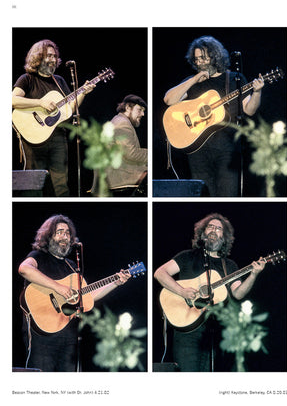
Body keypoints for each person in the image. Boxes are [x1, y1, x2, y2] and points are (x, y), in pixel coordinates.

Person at [154, 213, 266, 371]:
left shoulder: (229, 265)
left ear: (224, 237)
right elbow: (160, 273)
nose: (214, 230)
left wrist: (254, 274)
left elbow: (238, 293)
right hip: (187, 333)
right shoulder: (187, 256)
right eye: (210, 226)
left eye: (219, 228)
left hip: (214, 333)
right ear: (202, 232)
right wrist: (182, 291)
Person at [17, 214, 131, 372]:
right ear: (48, 235)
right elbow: (24, 269)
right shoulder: (38, 257)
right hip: (42, 337)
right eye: (59, 232)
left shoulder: (72, 267)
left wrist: (116, 282)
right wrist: (58, 287)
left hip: (69, 337)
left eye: (67, 233)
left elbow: (87, 297)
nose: (64, 236)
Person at [163, 36, 264, 196]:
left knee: (228, 196)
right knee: (202, 197)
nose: (199, 63)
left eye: (203, 58)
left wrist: (257, 92)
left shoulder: (235, 79)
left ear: (215, 56)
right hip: (197, 152)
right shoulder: (193, 81)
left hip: (227, 150)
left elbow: (249, 110)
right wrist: (194, 79)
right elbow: (169, 99)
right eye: (196, 59)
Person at [12, 40, 95, 196]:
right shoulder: (27, 79)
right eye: (48, 55)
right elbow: (13, 100)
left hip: (58, 137)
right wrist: (40, 102)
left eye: (55, 56)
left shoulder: (60, 81)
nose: (53, 59)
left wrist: (83, 92)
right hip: (34, 139)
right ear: (38, 57)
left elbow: (69, 109)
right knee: (33, 185)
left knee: (61, 185)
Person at [92, 94, 148, 196]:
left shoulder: (118, 121)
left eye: (143, 111)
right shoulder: (122, 123)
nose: (143, 114)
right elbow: (131, 153)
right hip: (120, 178)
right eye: (139, 110)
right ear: (127, 108)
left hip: (119, 174)